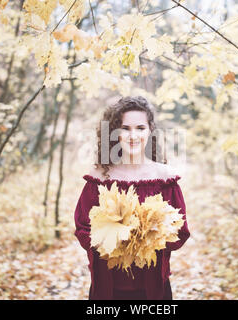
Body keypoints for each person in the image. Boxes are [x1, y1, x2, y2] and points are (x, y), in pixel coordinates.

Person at [74, 96, 190, 300]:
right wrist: (114, 239)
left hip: (153, 287)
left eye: (140, 128)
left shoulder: (164, 178)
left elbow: (180, 231)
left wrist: (148, 237)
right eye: (125, 128)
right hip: (108, 287)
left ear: (150, 130)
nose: (132, 135)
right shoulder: (99, 177)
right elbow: (83, 227)